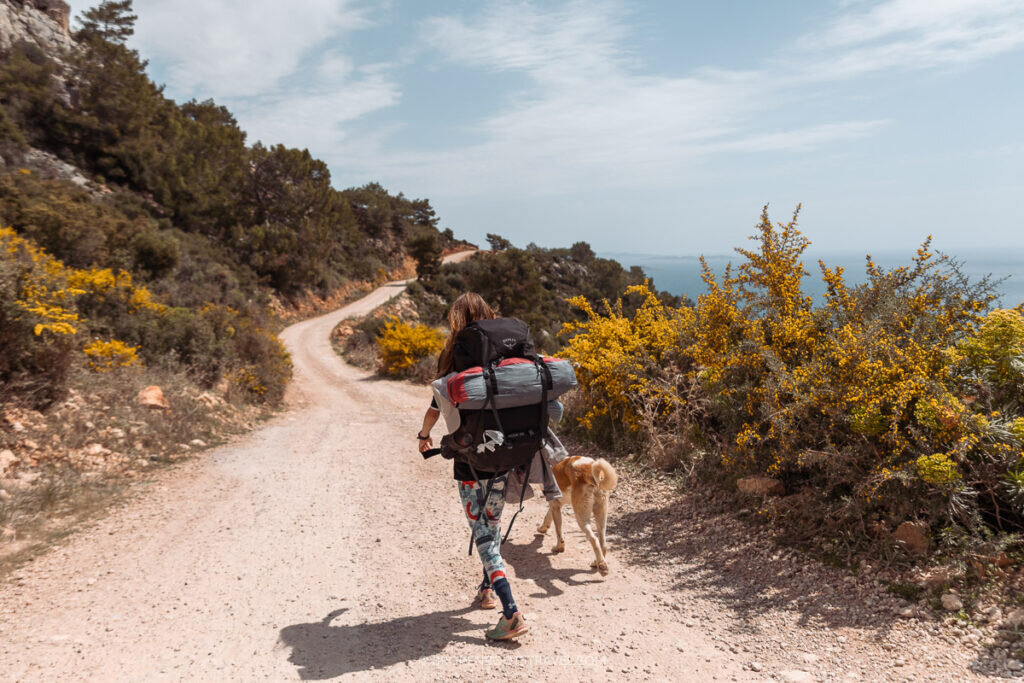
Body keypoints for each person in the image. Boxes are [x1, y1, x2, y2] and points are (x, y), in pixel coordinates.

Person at [417, 292, 530, 641]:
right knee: (491, 525)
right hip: (505, 452)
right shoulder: (506, 350)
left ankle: (510, 611)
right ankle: (485, 591)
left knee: (482, 533)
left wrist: (423, 434)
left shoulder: (454, 353)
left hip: (469, 459)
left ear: (457, 319)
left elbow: (437, 406)